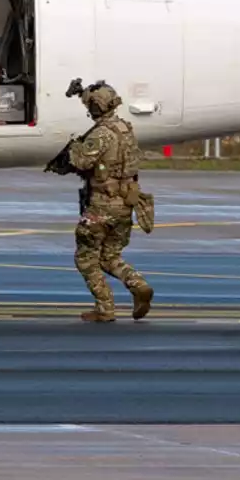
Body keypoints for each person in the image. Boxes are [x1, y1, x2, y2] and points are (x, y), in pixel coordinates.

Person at [47, 80, 155, 322]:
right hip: (125, 205)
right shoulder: (125, 130)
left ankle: (105, 308)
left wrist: (73, 146)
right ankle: (138, 284)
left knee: (85, 258)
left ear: (96, 108)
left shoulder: (100, 135)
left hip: (101, 207)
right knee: (110, 257)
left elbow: (83, 162)